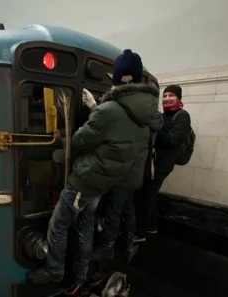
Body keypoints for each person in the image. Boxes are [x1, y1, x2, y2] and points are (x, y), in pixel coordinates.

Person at [28, 49, 159, 285]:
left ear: (117, 80)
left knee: (58, 224)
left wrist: (73, 129)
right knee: (85, 224)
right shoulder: (145, 113)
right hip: (105, 183)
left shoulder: (107, 111)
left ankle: (54, 270)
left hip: (85, 180)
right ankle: (80, 271)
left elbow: (79, 141)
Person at [92, 88, 163, 260]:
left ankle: (107, 247)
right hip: (136, 173)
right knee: (128, 207)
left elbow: (112, 124)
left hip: (124, 172)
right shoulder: (152, 119)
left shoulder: (137, 120)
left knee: (113, 210)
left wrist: (94, 106)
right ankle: (129, 239)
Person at [137, 85, 191, 241]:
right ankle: (151, 226)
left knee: (147, 195)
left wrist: (154, 131)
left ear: (179, 98)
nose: (167, 99)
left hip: (162, 165)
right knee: (150, 194)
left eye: (171, 95)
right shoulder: (163, 115)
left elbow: (173, 139)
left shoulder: (182, 116)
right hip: (153, 161)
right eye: (165, 96)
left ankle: (140, 233)